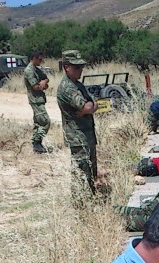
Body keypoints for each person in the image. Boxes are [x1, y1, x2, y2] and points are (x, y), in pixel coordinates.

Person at [55, 49, 97, 196]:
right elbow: (87, 106)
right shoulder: (67, 88)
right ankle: (81, 207)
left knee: (91, 174)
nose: (81, 70)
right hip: (78, 138)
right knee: (81, 176)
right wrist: (89, 107)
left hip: (87, 135)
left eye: (82, 67)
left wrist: (90, 107)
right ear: (67, 67)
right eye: (77, 67)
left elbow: (92, 104)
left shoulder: (78, 85)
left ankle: (90, 202)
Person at [24, 51, 51, 154]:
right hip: (35, 100)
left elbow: (45, 78)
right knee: (45, 121)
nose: (41, 61)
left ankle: (36, 145)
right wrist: (42, 85)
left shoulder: (36, 69)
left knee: (38, 123)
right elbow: (35, 87)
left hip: (39, 99)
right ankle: (37, 142)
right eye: (39, 59)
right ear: (34, 58)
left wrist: (44, 82)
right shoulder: (29, 70)